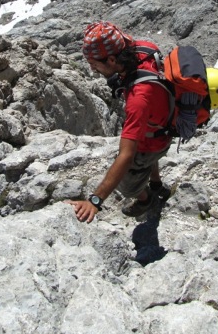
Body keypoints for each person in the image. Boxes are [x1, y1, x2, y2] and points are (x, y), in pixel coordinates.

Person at [66, 21, 173, 223]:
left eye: (95, 64)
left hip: (153, 141)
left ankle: (147, 199)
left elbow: (126, 155)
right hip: (160, 124)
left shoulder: (138, 100)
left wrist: (95, 201)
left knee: (128, 185)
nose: (92, 68)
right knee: (147, 155)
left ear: (113, 59)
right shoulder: (145, 48)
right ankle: (157, 184)